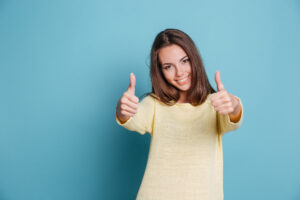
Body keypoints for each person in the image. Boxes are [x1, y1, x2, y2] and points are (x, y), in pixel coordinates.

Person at [115, 28, 243, 200]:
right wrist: (122, 109)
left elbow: (233, 118)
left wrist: (233, 105)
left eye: (185, 61)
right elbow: (132, 118)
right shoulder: (155, 105)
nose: (180, 72)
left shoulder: (215, 103)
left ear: (195, 59)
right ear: (160, 71)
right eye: (168, 67)